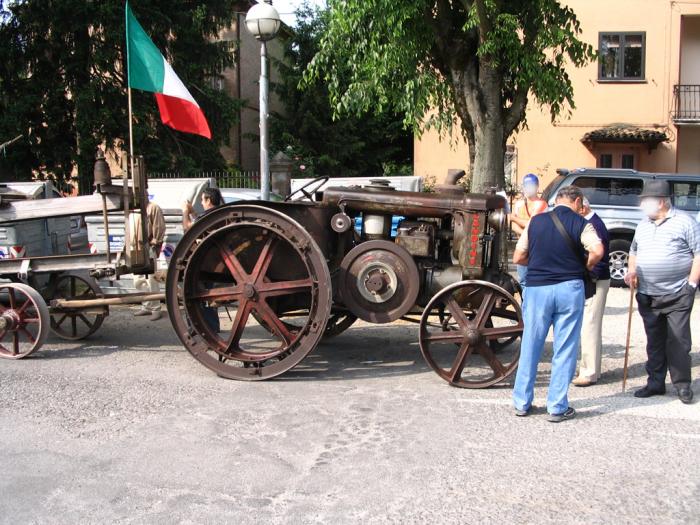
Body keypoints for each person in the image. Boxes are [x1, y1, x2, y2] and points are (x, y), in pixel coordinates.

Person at [512, 185, 604, 422]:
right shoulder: (582, 223)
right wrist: (585, 266)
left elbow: (518, 257)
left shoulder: (536, 222)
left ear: (557, 201)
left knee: (531, 344)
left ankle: (522, 402)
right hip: (569, 288)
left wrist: (541, 261)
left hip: (537, 288)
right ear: (577, 202)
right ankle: (557, 406)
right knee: (565, 348)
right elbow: (597, 250)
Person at [624, 180, 700, 404]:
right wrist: (632, 271)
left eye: (645, 202)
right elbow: (633, 251)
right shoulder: (643, 225)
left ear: (661, 202)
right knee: (654, 340)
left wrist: (691, 285)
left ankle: (682, 385)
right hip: (647, 293)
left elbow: (698, 254)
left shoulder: (686, 222)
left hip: (678, 293)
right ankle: (655, 383)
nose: (641, 206)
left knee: (678, 341)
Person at [572, 197, 611, 387]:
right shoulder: (591, 222)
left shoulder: (594, 225)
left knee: (590, 325)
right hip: (594, 278)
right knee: (590, 325)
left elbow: (599, 258)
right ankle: (592, 369)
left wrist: (585, 270)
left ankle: (589, 372)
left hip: (595, 279)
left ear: (583, 207)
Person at [182, 187, 224, 332]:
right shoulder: (221, 215)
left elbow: (188, 228)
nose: (202, 202)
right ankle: (213, 326)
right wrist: (193, 211)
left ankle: (199, 327)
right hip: (219, 262)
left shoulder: (206, 218)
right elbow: (201, 220)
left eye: (202, 200)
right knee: (210, 293)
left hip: (203, 263)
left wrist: (185, 212)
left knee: (197, 294)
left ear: (208, 200)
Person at [509, 173, 548, 285]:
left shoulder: (541, 204)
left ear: (536, 187)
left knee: (535, 277)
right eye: (526, 185)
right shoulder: (519, 204)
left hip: (536, 246)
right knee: (522, 279)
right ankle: (525, 301)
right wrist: (525, 234)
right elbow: (513, 225)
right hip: (522, 245)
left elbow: (532, 224)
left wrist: (514, 219)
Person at [131, 200, 166, 321]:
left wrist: (155, 242)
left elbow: (159, 226)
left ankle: (156, 309)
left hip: (147, 248)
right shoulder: (133, 209)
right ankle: (146, 306)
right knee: (138, 280)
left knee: (151, 280)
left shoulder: (153, 207)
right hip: (135, 249)